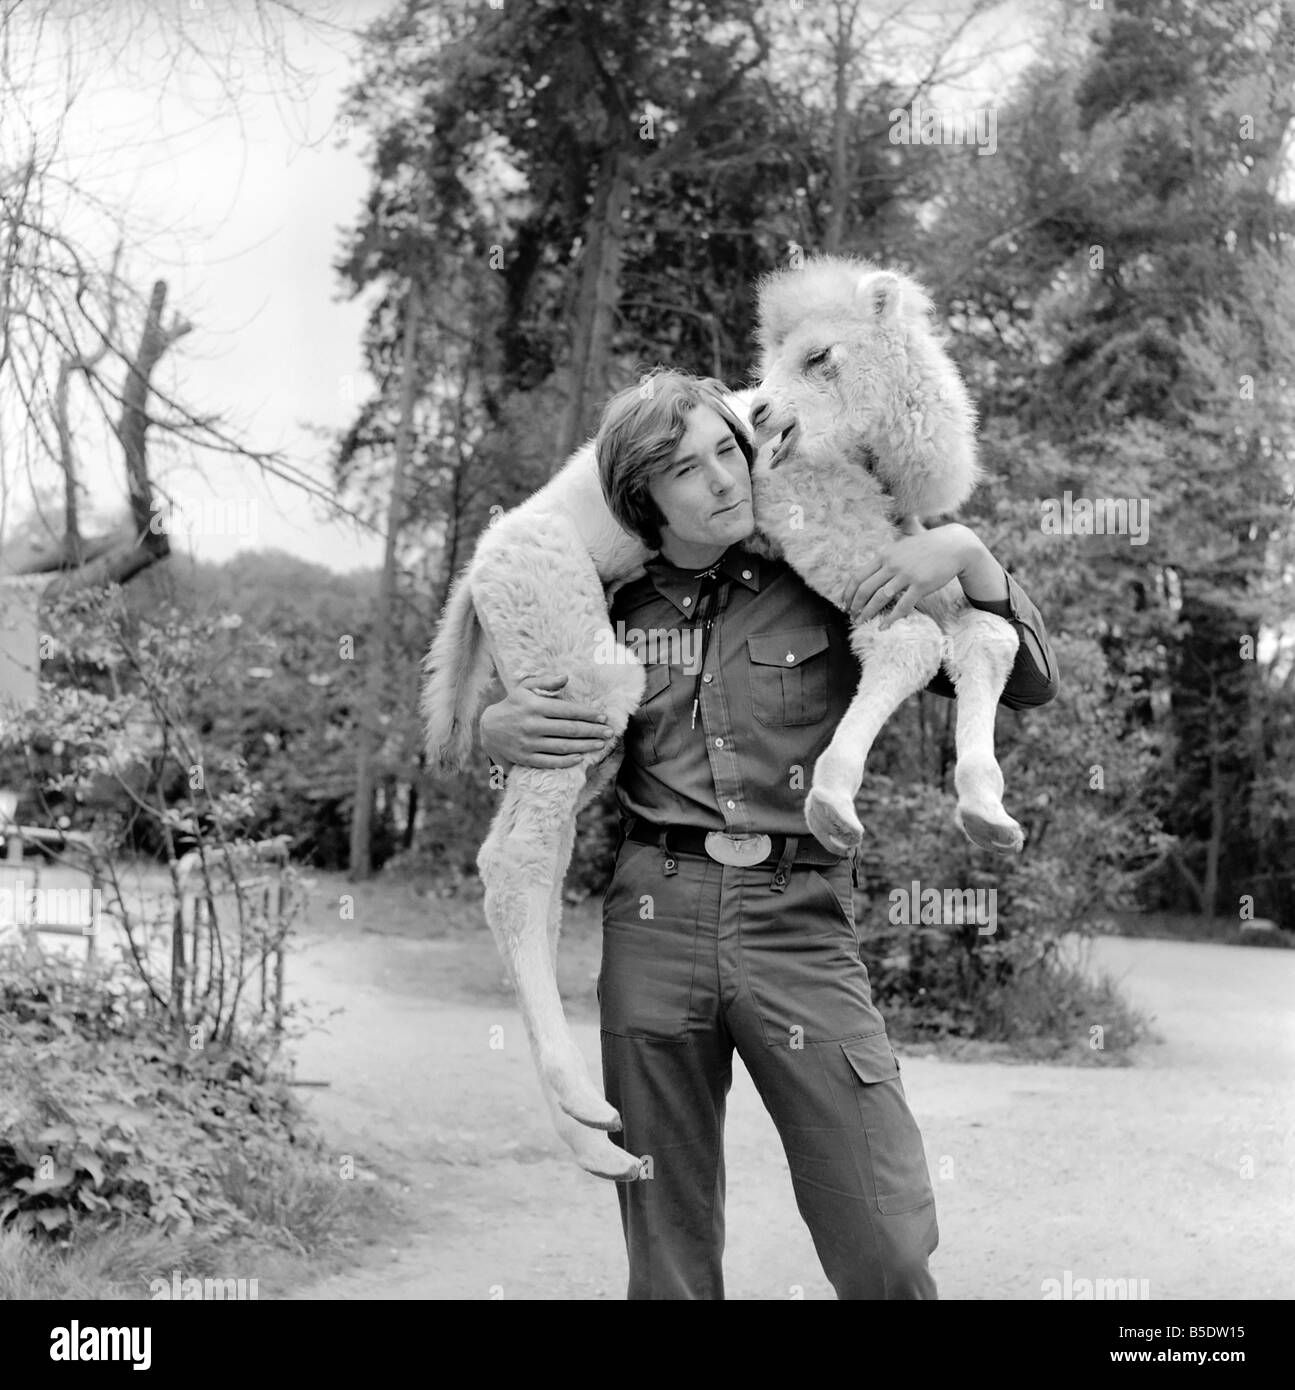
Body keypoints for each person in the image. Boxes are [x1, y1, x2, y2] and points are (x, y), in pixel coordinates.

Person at [479, 371, 1058, 1300]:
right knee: (665, 1246)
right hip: (652, 915)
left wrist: (962, 549)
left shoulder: (826, 573)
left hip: (800, 915)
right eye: (684, 470)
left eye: (724, 451)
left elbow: (1025, 681)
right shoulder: (602, 609)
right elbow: (514, 748)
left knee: (887, 1238)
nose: (720, 480)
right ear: (642, 500)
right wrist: (490, 733)